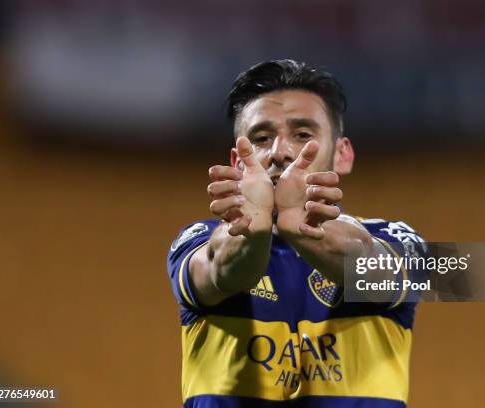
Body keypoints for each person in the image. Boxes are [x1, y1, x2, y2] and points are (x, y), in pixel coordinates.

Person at [167, 59, 426, 407]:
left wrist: (303, 229)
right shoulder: (199, 239)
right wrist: (254, 233)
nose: (280, 152)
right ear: (238, 162)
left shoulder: (396, 239)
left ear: (342, 155)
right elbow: (218, 268)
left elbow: (379, 269)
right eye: (261, 138)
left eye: (303, 134)